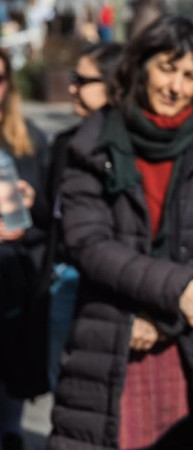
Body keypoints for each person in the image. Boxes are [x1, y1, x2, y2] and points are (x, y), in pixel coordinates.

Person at [50, 16, 193, 449]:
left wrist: (165, 318)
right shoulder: (93, 143)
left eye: (190, 75)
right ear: (141, 65)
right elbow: (88, 243)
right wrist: (179, 288)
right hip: (112, 338)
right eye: (167, 67)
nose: (175, 86)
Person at [43, 41, 123, 391]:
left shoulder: (130, 150)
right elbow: (52, 215)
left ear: (114, 84)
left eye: (82, 79)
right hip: (64, 275)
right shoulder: (65, 142)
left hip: (110, 284)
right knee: (62, 384)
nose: (72, 86)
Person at [0, 47, 49, 450]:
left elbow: (55, 213)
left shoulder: (29, 138)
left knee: (12, 367)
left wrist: (33, 199)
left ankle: (12, 432)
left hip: (16, 270)